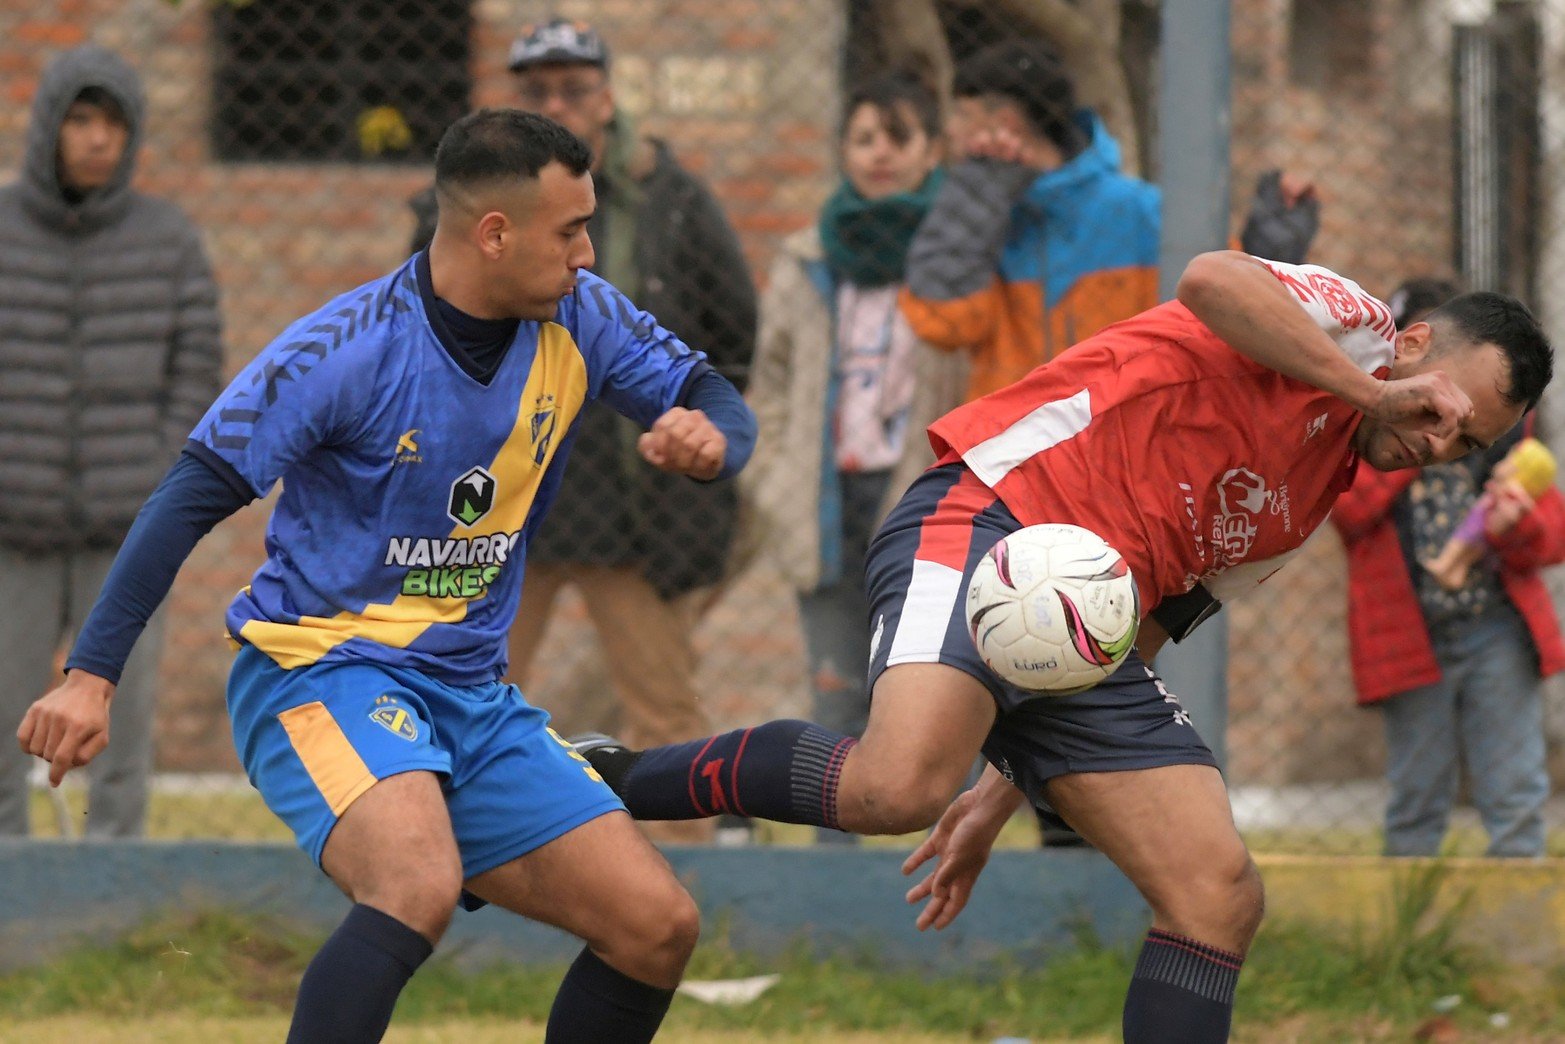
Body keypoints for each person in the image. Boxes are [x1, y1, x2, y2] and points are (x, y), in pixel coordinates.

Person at [573, 251, 1552, 1043]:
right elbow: (1209, 281)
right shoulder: (1351, 323)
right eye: (1440, 409)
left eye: (1464, 447)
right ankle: (600, 781)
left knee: (1215, 894)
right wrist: (1365, 389)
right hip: (992, 517)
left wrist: (998, 794)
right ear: (1413, 344)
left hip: (1081, 628)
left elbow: (1163, 615)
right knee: (894, 789)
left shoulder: (1309, 498)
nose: (1436, 442)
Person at [19, 109, 756, 1043]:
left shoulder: (582, 316)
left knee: (655, 927)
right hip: (319, 672)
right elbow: (187, 497)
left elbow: (708, 391)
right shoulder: (343, 351)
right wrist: (91, 677)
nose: (587, 252)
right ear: (495, 233)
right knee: (414, 885)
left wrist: (713, 437)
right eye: (571, 231)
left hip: (468, 693)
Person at [0, 44, 223, 838]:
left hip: (127, 536)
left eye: (115, 124)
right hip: (11, 531)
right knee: (1, 724)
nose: (98, 139)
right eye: (82, 119)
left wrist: (152, 481)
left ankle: (117, 890)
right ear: (49, 126)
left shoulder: (169, 240)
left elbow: (197, 374)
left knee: (120, 731)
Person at [742, 71, 962, 842]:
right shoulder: (806, 255)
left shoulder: (956, 254)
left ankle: (933, 871)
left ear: (930, 150)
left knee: (930, 694)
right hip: (824, 496)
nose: (879, 154)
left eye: (897, 138)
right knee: (836, 697)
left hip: (925, 497)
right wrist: (771, 475)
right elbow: (768, 376)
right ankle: (836, 872)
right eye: (863, 137)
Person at [899, 38, 1320, 401]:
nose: (950, 132)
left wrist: (1269, 253)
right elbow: (944, 324)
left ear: (1002, 123)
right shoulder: (988, 216)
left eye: (960, 115)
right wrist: (979, 192)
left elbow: (1231, 317)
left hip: (1129, 444)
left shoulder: (1140, 211)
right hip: (1011, 453)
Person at [1331, 278, 1565, 858]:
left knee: (1515, 790)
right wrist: (1422, 433)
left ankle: (1516, 942)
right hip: (1411, 638)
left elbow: (1552, 537)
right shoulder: (1368, 427)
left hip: (1495, 629)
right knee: (1417, 796)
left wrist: (1516, 525)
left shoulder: (1507, 438)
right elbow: (1349, 513)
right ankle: (1408, 942)